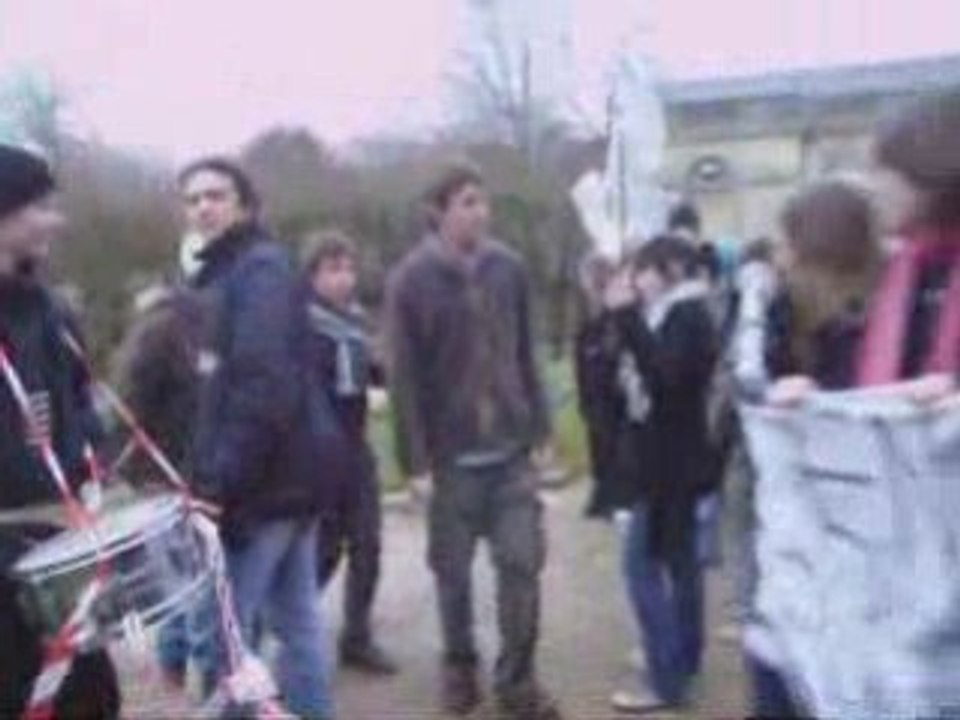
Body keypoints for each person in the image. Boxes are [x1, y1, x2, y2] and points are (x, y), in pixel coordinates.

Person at [386, 161, 561, 720]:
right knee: (453, 576)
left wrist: (542, 427)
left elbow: (526, 352)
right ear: (438, 211)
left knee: (522, 565)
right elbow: (404, 377)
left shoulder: (507, 268)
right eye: (466, 202)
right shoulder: (410, 280)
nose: (479, 212)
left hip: (510, 453)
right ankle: (461, 670)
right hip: (451, 457)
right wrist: (414, 462)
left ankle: (518, 681)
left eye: (483, 201)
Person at [183, 157, 341, 719]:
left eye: (216, 195)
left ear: (244, 204)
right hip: (287, 480)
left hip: (264, 487)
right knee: (298, 624)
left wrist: (217, 482)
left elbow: (261, 388)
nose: (203, 207)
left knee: (224, 638)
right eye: (193, 198)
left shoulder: (259, 272)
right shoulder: (231, 273)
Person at [747, 178, 882, 718]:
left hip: (864, 558)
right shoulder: (792, 317)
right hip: (805, 552)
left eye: (786, 245)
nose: (778, 259)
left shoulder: (882, 329)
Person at [0, 144, 121, 718]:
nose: (58, 219)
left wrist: (92, 458)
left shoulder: (49, 310)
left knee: (91, 698)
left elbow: (79, 402)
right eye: (42, 205)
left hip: (60, 541)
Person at [605, 235, 719, 715]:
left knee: (641, 567)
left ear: (669, 269)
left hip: (669, 465)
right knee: (679, 565)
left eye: (644, 271)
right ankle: (682, 658)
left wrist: (627, 317)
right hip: (672, 460)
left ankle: (666, 675)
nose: (637, 281)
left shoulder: (685, 315)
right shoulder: (685, 313)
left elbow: (664, 378)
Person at [111, 272, 222, 697]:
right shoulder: (163, 334)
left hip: (185, 467)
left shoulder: (198, 328)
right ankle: (191, 673)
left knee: (184, 576)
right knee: (191, 578)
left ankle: (174, 666)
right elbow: (132, 408)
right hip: (167, 473)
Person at [302, 228, 398, 675]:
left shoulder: (357, 324)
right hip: (318, 459)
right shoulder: (301, 328)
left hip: (357, 452)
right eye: (332, 269)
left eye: (348, 268)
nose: (344, 279)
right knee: (323, 553)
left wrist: (383, 378)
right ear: (312, 275)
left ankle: (357, 639)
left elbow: (376, 376)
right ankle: (287, 634)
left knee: (369, 546)